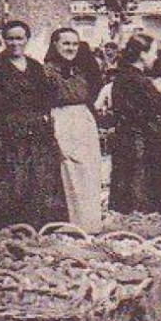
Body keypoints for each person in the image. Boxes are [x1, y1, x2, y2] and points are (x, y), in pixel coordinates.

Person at [0, 20, 67, 231]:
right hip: (4, 130)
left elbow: (45, 96)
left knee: (36, 179)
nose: (15, 43)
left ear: (27, 40)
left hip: (34, 131)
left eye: (19, 38)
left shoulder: (35, 66)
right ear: (3, 39)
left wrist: (44, 117)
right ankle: (5, 229)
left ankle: (35, 228)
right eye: (10, 38)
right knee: (7, 181)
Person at [107, 33, 161, 215]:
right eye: (153, 52)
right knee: (142, 193)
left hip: (127, 139)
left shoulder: (122, 77)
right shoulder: (139, 81)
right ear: (142, 54)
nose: (155, 57)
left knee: (126, 188)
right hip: (144, 142)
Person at [44, 27, 105, 232]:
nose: (70, 48)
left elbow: (94, 90)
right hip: (61, 117)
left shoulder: (82, 68)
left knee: (88, 169)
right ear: (55, 45)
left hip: (83, 118)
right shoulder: (47, 70)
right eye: (66, 43)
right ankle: (69, 222)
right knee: (67, 168)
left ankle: (88, 222)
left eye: (74, 44)